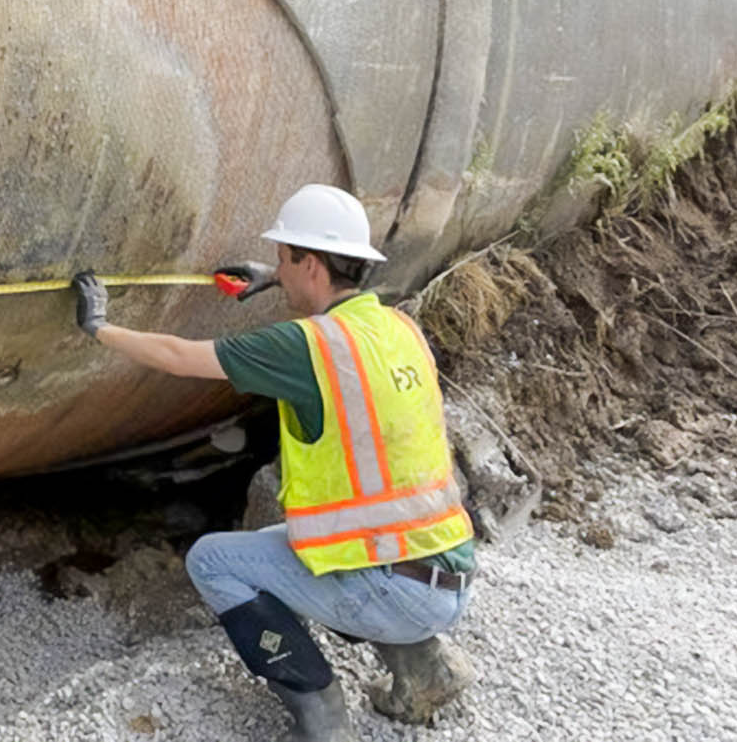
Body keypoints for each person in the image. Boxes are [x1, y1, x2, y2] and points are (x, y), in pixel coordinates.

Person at [69, 184, 476, 742]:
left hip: (393, 590)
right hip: (448, 575)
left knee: (214, 561)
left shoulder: (305, 346)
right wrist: (276, 279)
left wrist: (100, 327)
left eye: (284, 259)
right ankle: (426, 668)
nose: (277, 269)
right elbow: (337, 324)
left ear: (311, 264)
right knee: (299, 543)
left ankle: (321, 714)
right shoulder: (398, 329)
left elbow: (178, 357)